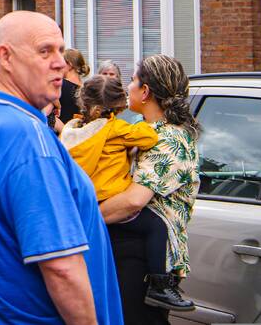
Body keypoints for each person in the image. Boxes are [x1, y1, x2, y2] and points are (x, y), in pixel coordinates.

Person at [0, 11, 122, 324]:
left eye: (60, 50)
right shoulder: (27, 138)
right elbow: (61, 266)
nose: (60, 62)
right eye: (45, 51)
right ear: (6, 56)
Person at [61, 76, 189, 311]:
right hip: (112, 197)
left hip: (87, 198)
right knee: (156, 226)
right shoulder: (115, 129)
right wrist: (141, 126)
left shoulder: (75, 130)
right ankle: (160, 284)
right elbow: (149, 138)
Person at [100, 55, 202, 323]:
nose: (127, 87)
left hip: (145, 256)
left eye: (133, 80)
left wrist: (86, 216)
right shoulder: (142, 129)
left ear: (145, 91)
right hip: (127, 245)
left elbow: (134, 200)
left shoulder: (169, 138)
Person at [61, 48, 90, 125]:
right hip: (80, 133)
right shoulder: (87, 90)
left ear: (70, 65)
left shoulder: (60, 85)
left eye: (61, 62)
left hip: (62, 134)